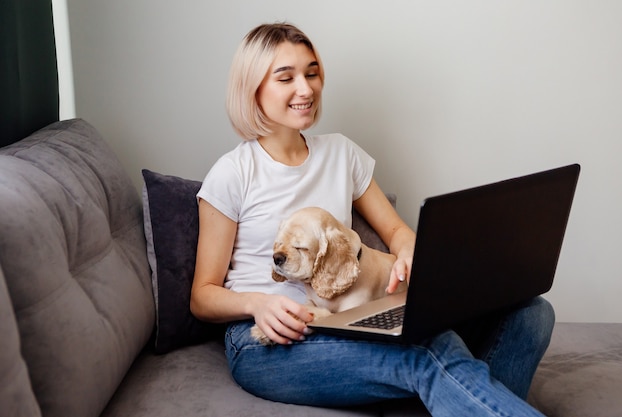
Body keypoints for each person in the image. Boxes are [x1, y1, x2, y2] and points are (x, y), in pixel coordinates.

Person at [190, 22, 554, 416]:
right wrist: (258, 305)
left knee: (531, 313)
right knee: (428, 350)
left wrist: (410, 255)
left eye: (312, 73)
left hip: (345, 319)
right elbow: (202, 295)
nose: (306, 89)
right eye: (286, 78)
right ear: (253, 88)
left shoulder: (342, 154)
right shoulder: (233, 173)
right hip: (266, 341)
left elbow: (397, 231)